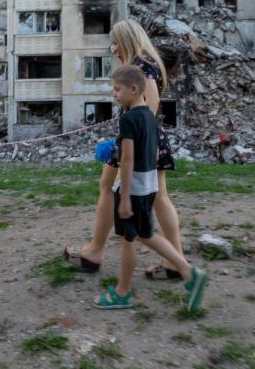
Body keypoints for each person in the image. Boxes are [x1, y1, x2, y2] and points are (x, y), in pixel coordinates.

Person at [64, 19, 185, 280]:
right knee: (117, 188)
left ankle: (103, 256)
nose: (115, 50)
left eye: (115, 44)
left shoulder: (142, 67)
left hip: (139, 145)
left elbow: (148, 112)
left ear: (126, 41)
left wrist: (126, 150)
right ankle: (96, 250)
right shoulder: (143, 65)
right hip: (135, 142)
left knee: (152, 198)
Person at [92, 66, 207, 311]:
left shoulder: (128, 119)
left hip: (131, 190)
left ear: (133, 89)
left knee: (129, 240)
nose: (115, 95)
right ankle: (189, 271)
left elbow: (128, 160)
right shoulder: (150, 118)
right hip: (149, 186)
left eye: (117, 90)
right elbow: (150, 153)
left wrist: (123, 199)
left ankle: (123, 293)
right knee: (147, 235)